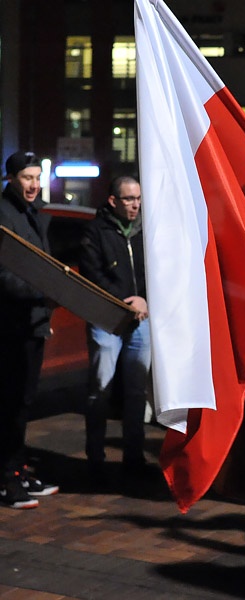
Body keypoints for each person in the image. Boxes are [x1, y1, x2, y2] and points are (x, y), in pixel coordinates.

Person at [78, 175, 152, 487]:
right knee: (100, 389)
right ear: (113, 201)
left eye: (138, 198)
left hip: (140, 319)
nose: (135, 204)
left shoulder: (146, 231)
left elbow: (158, 269)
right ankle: (95, 457)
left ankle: (133, 456)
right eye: (128, 199)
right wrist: (122, 301)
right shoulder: (97, 230)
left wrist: (144, 297)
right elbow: (92, 274)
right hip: (106, 319)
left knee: (137, 392)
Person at [0, 151, 60, 510]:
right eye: (27, 178)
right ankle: (7, 480)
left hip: (33, 324)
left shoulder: (33, 214)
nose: (35, 185)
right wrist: (46, 291)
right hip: (9, 328)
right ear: (11, 179)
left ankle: (18, 469)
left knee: (23, 404)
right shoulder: (4, 215)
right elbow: (6, 277)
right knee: (8, 405)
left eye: (38, 177)